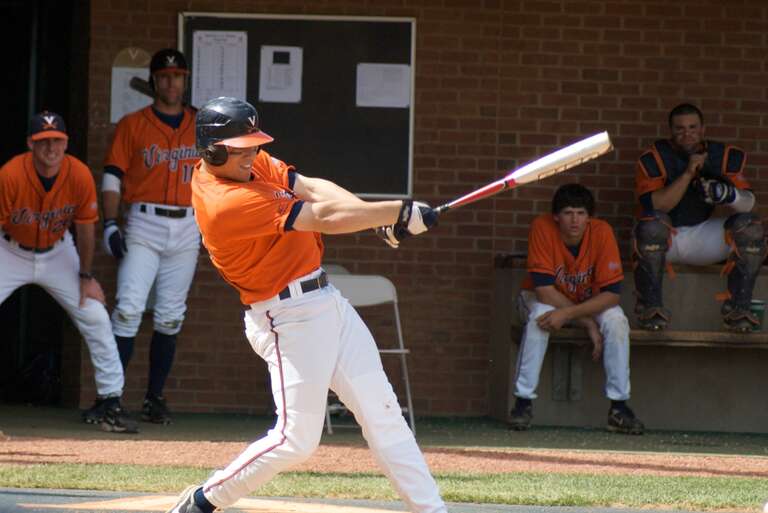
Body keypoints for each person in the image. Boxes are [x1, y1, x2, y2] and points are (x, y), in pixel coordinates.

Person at [165, 97, 445, 513]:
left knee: (383, 411)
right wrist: (396, 211)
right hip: (286, 318)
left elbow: (313, 187)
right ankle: (203, 501)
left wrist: (380, 219)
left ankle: (432, 509)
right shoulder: (225, 202)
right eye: (241, 147)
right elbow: (323, 216)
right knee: (296, 438)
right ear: (213, 150)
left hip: (326, 302)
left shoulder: (249, 163)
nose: (252, 154)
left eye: (253, 144)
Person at [0, 111, 137, 434]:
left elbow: (86, 228)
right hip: (9, 250)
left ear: (66, 143)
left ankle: (110, 400)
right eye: (43, 142)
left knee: (95, 315)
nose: (51, 148)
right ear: (30, 145)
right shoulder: (9, 175)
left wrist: (85, 276)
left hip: (59, 252)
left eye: (57, 141)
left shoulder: (78, 174)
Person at [99, 48, 200, 424]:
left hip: (189, 223)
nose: (171, 82)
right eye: (164, 76)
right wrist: (110, 223)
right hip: (144, 220)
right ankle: (110, 396)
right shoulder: (133, 123)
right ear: (154, 80)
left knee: (171, 316)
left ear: (185, 80)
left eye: (178, 76)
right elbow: (112, 176)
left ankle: (153, 398)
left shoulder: (201, 125)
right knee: (127, 310)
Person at [508, 183, 644, 435]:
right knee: (541, 317)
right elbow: (544, 291)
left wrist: (571, 315)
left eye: (581, 213)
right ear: (556, 216)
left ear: (589, 217)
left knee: (616, 322)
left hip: (583, 303)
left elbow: (612, 295)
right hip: (542, 299)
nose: (575, 220)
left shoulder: (601, 232)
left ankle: (619, 407)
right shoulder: (543, 227)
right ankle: (522, 402)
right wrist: (588, 323)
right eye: (568, 213)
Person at [633, 103, 765, 332]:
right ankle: (650, 308)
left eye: (693, 127)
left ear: (703, 129)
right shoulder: (654, 157)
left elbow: (751, 204)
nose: (687, 134)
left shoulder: (720, 155)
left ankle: (738, 309)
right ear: (670, 131)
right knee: (651, 225)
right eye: (680, 128)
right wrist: (687, 174)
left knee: (751, 227)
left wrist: (728, 194)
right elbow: (657, 205)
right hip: (664, 240)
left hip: (702, 235)